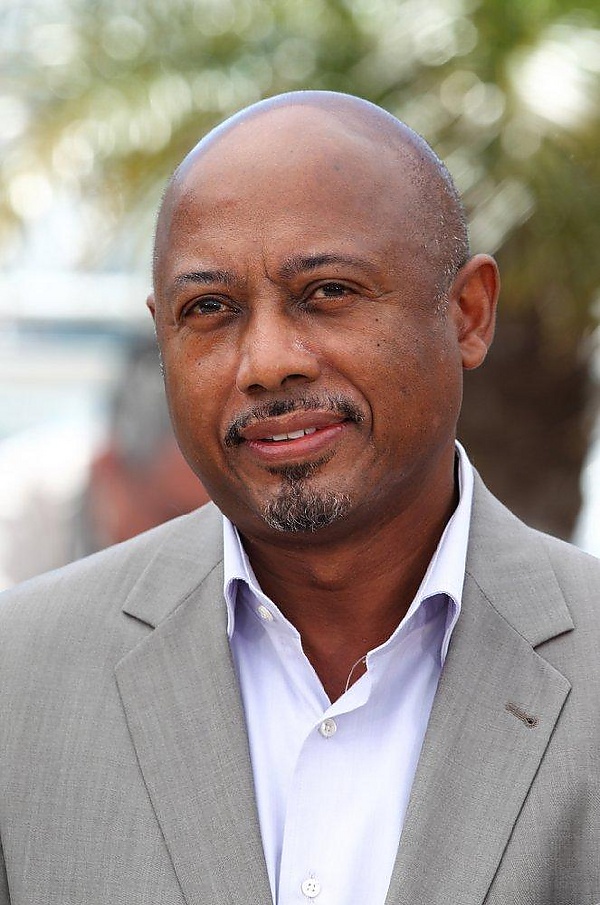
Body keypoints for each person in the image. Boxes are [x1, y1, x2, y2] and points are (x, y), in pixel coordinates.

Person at [0, 91, 598, 905]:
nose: (268, 361)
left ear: (467, 314)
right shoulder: (21, 681)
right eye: (209, 309)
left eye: (328, 291)